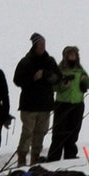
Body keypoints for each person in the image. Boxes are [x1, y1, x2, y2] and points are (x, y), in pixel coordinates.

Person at [12, 33, 59, 166]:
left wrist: (47, 75)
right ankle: (21, 159)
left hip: (45, 105)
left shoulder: (50, 61)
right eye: (40, 44)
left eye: (44, 44)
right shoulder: (25, 61)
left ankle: (35, 159)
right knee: (27, 132)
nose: (43, 47)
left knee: (41, 132)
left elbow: (58, 78)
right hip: (29, 105)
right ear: (35, 45)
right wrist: (32, 78)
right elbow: (17, 80)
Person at [46, 44, 89, 163]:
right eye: (70, 55)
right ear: (65, 56)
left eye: (74, 54)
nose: (73, 57)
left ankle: (70, 155)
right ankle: (54, 157)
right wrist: (63, 86)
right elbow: (53, 86)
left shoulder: (80, 69)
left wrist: (84, 82)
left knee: (74, 131)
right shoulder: (60, 69)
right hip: (62, 103)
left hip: (77, 104)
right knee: (59, 131)